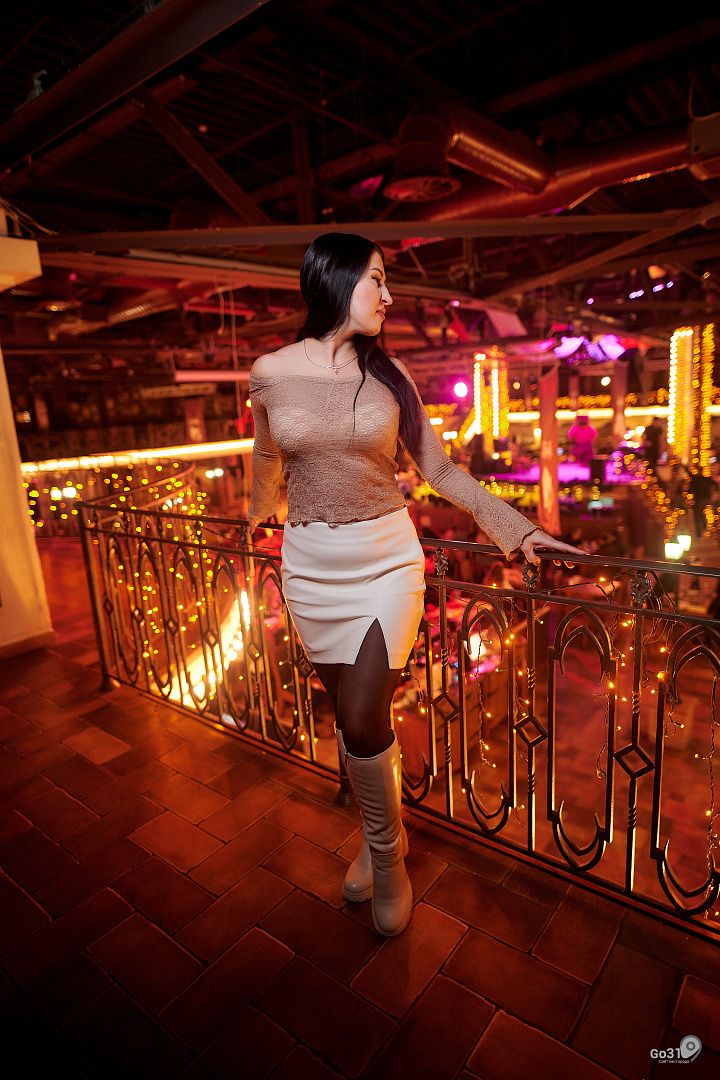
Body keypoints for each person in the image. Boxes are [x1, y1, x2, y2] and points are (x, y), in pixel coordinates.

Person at [248, 233, 584, 937]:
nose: (389, 294)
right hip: (309, 564)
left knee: (363, 719)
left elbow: (441, 470)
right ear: (335, 280)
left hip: (387, 561)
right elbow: (267, 458)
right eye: (377, 279)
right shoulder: (270, 372)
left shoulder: (391, 374)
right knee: (350, 720)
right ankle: (378, 843)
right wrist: (255, 516)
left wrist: (516, 528)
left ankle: (389, 858)